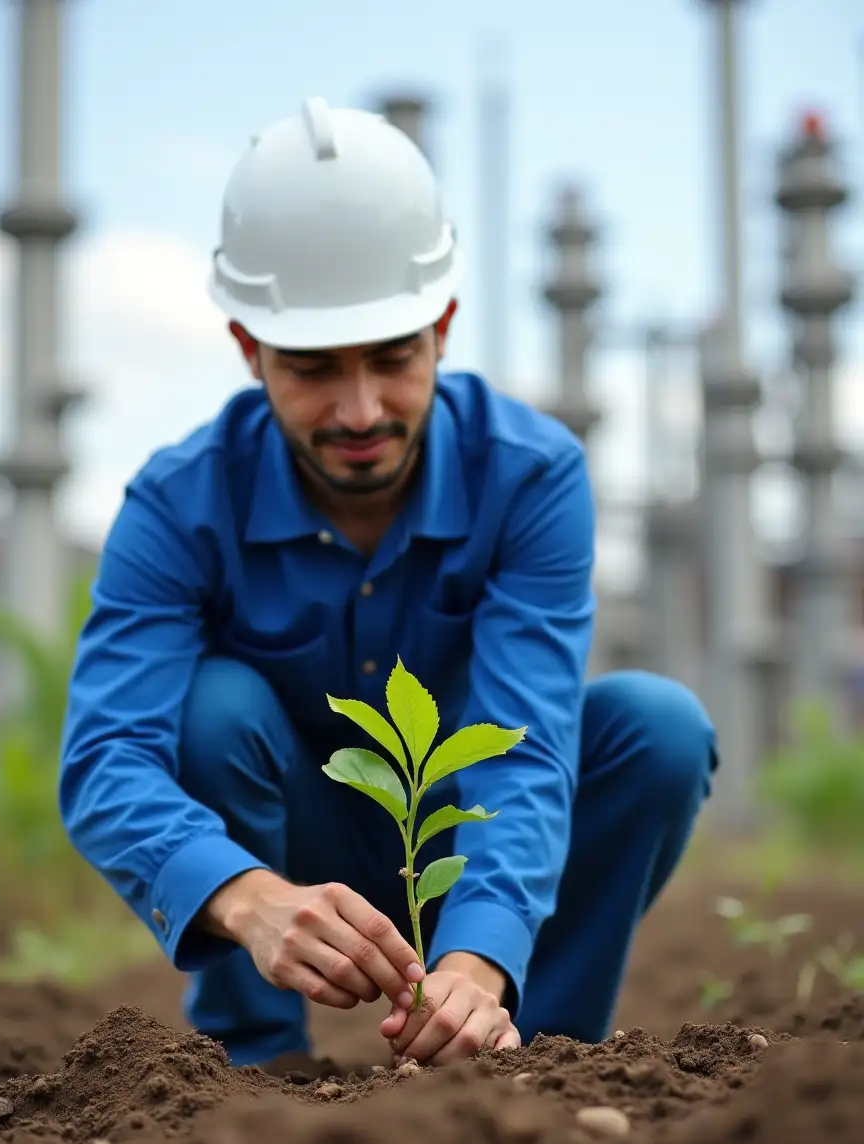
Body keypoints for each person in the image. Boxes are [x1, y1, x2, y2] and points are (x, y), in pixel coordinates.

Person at [59, 97, 718, 1070]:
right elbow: (107, 754)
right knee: (212, 708)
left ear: (442, 326)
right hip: (286, 836)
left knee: (655, 729)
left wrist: (474, 958)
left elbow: (526, 743)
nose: (360, 409)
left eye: (393, 357)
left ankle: (518, 1049)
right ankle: (256, 1059)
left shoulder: (529, 475)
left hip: (465, 819)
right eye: (314, 368)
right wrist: (249, 897)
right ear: (249, 351)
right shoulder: (179, 501)